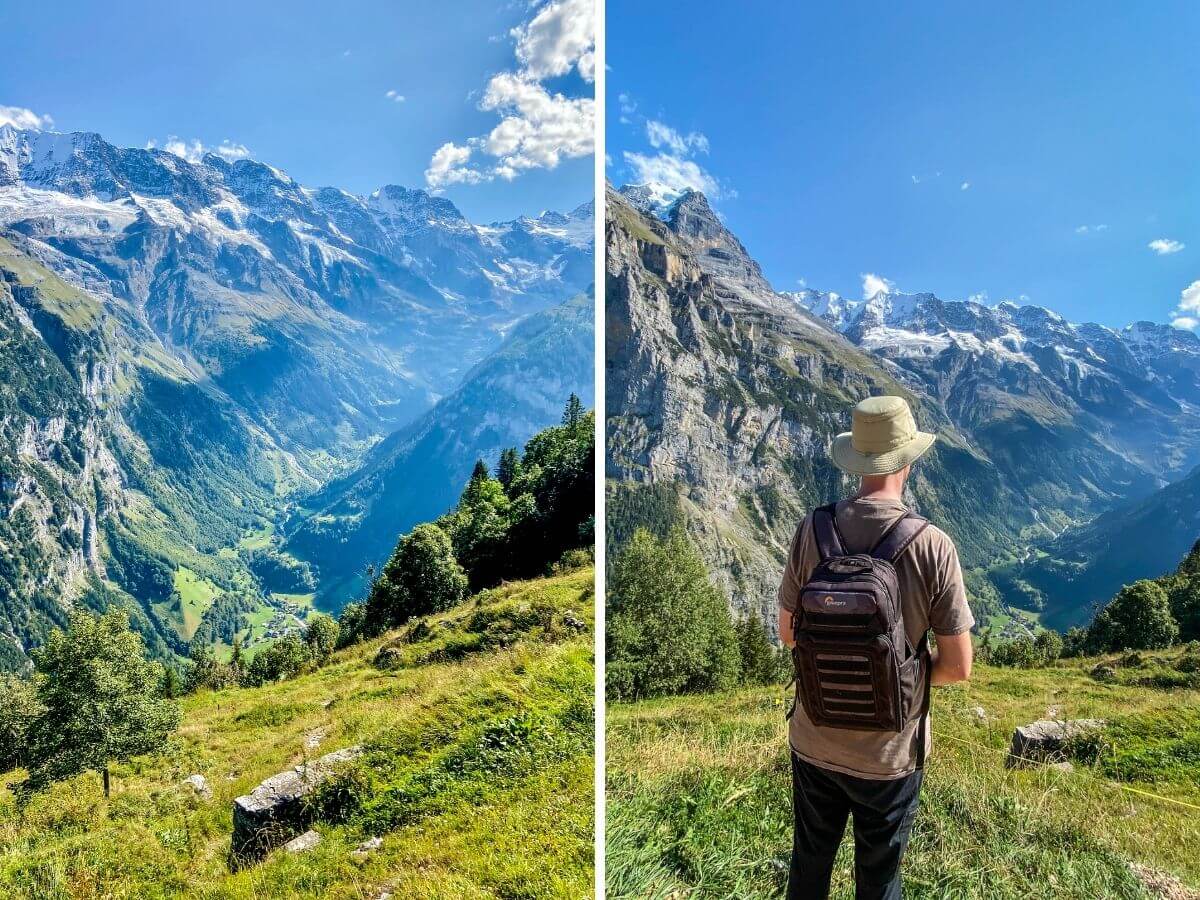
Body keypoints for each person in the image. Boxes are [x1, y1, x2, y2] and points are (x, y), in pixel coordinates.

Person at [778, 395, 974, 900]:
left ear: (856, 460)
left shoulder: (812, 529)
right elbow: (958, 666)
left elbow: (788, 633)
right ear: (906, 461)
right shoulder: (933, 545)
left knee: (809, 866)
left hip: (814, 738)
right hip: (890, 755)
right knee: (880, 878)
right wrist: (897, 671)